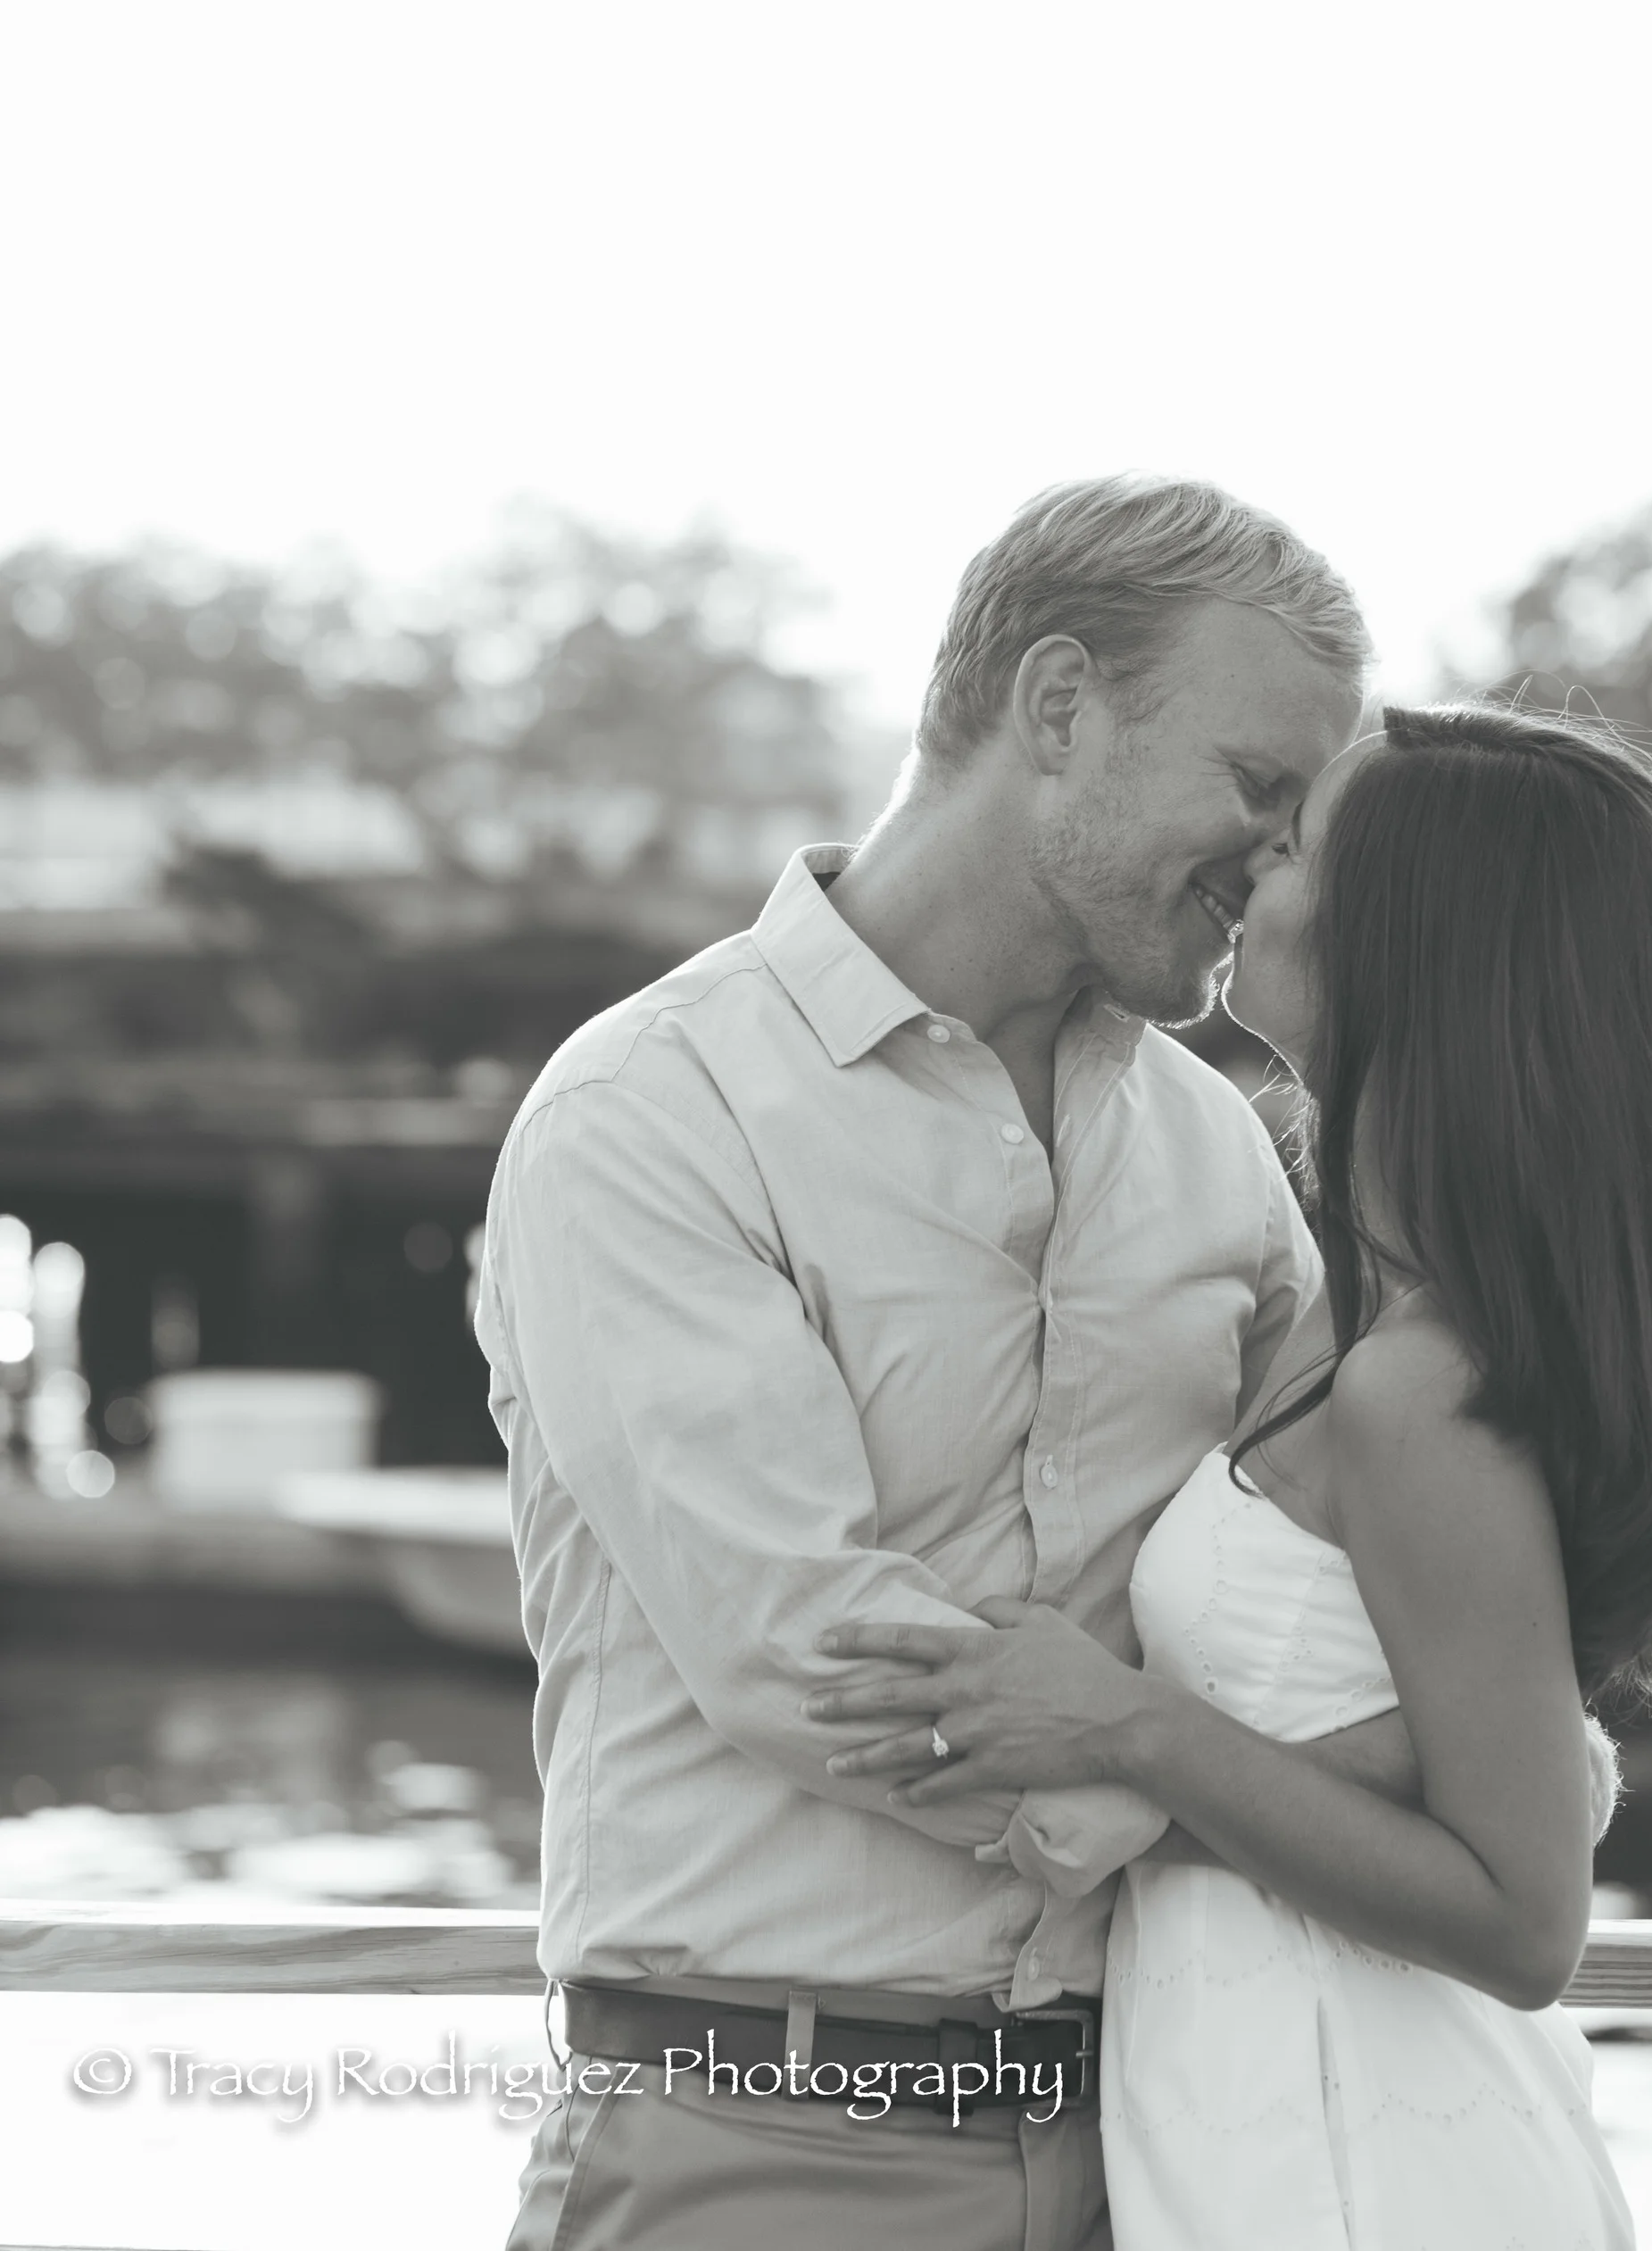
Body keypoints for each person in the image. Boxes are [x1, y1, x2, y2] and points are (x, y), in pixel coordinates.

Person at [478, 474, 1390, 2251]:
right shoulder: (649, 1113)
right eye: (1255, 784)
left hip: (1166, 2145)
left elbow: (1341, 1591)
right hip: (757, 2150)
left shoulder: (1218, 1150)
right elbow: (821, 1659)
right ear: (1057, 709)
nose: (1281, 861)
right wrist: (1300, 1807)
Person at [811, 702, 1652, 2248]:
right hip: (1271, 2106)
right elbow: (1469, 1744)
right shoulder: (1367, 1312)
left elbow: (1525, 1912)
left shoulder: (1420, 1386)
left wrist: (1127, 1727)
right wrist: (1156, 1803)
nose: (1251, 864)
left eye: (1296, 844)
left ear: (1415, 944)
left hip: (1362, 2154)